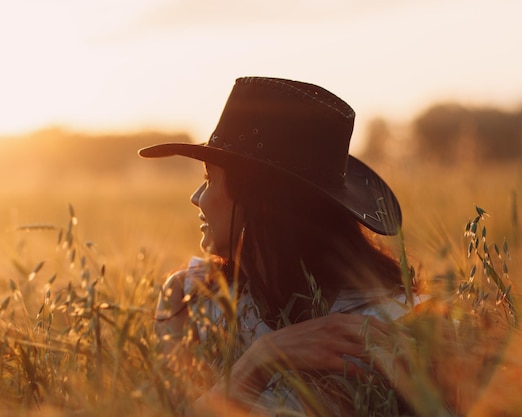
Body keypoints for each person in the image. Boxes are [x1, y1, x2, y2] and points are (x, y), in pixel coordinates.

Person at [139, 77, 416, 416]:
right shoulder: (189, 298)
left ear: (261, 200)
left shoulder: (378, 327)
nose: (195, 198)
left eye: (210, 180)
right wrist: (262, 360)